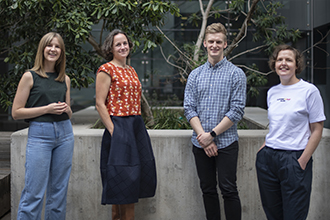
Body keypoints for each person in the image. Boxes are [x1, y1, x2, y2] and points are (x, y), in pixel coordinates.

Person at [184, 23, 246, 220]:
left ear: (225, 44)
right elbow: (189, 108)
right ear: (204, 43)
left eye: (219, 42)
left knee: (228, 190)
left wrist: (211, 136)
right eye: (211, 41)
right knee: (208, 190)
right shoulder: (195, 75)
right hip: (200, 143)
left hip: (226, 143)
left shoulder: (236, 74)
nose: (214, 45)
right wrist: (204, 138)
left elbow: (237, 111)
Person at [256, 45, 326, 220]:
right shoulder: (272, 92)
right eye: (280, 59)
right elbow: (276, 124)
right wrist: (263, 149)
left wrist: (302, 160)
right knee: (273, 214)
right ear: (274, 64)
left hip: (294, 159)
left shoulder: (309, 91)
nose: (283, 63)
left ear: (297, 65)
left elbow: (317, 129)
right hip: (268, 158)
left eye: (288, 60)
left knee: (294, 215)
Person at [95, 29, 157, 220]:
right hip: (119, 125)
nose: (123, 47)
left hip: (136, 125)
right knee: (121, 178)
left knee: (136, 174)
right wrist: (115, 131)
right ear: (111, 48)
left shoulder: (131, 70)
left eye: (125, 43)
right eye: (118, 44)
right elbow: (99, 103)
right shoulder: (106, 69)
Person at [12, 32, 74, 219]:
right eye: (49, 45)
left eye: (57, 46)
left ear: (61, 52)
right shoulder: (29, 77)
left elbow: (69, 112)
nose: (53, 49)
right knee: (34, 192)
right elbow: (16, 112)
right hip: (40, 135)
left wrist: (66, 109)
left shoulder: (65, 79)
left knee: (58, 193)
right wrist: (47, 108)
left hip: (65, 134)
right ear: (42, 48)